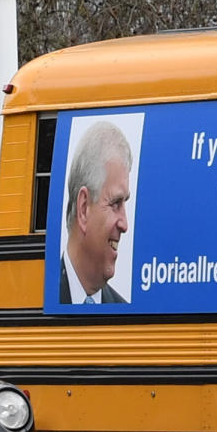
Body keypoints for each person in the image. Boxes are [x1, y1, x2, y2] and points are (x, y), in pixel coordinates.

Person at [60, 120, 132, 304]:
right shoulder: (36, 299)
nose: (125, 225)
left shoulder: (121, 309)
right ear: (84, 208)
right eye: (116, 203)